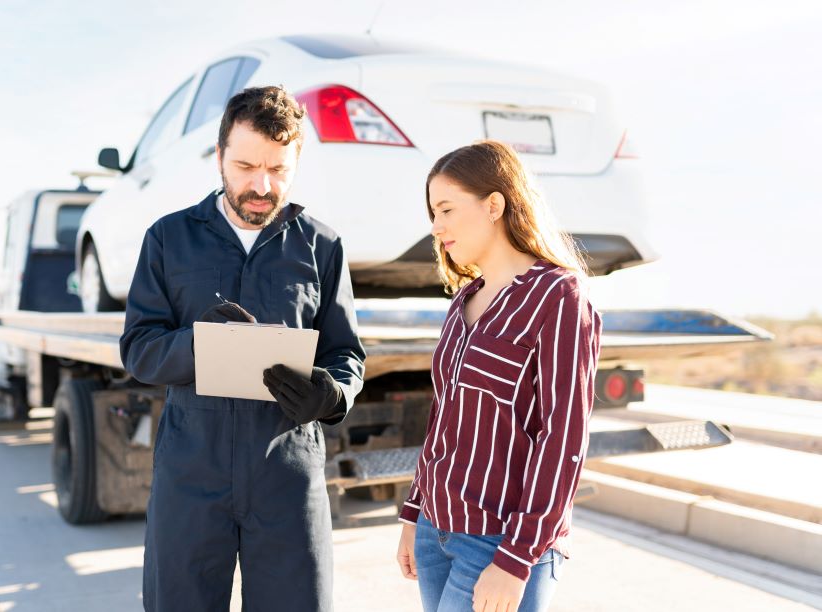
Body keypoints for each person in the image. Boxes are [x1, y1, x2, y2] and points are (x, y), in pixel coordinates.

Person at [120, 86, 365, 611]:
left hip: (287, 471)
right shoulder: (168, 239)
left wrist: (330, 394)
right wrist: (198, 344)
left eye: (278, 169)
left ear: (295, 162)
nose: (261, 184)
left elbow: (347, 355)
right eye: (247, 165)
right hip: (191, 471)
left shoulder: (322, 247)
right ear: (219, 158)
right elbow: (139, 350)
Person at [395, 140, 602, 612]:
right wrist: (414, 514)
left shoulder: (559, 296)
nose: (436, 226)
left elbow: (563, 439)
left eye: (446, 209)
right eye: (433, 212)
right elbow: (444, 417)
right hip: (436, 531)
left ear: (494, 204)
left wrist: (515, 560)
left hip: (502, 542)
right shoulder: (462, 301)